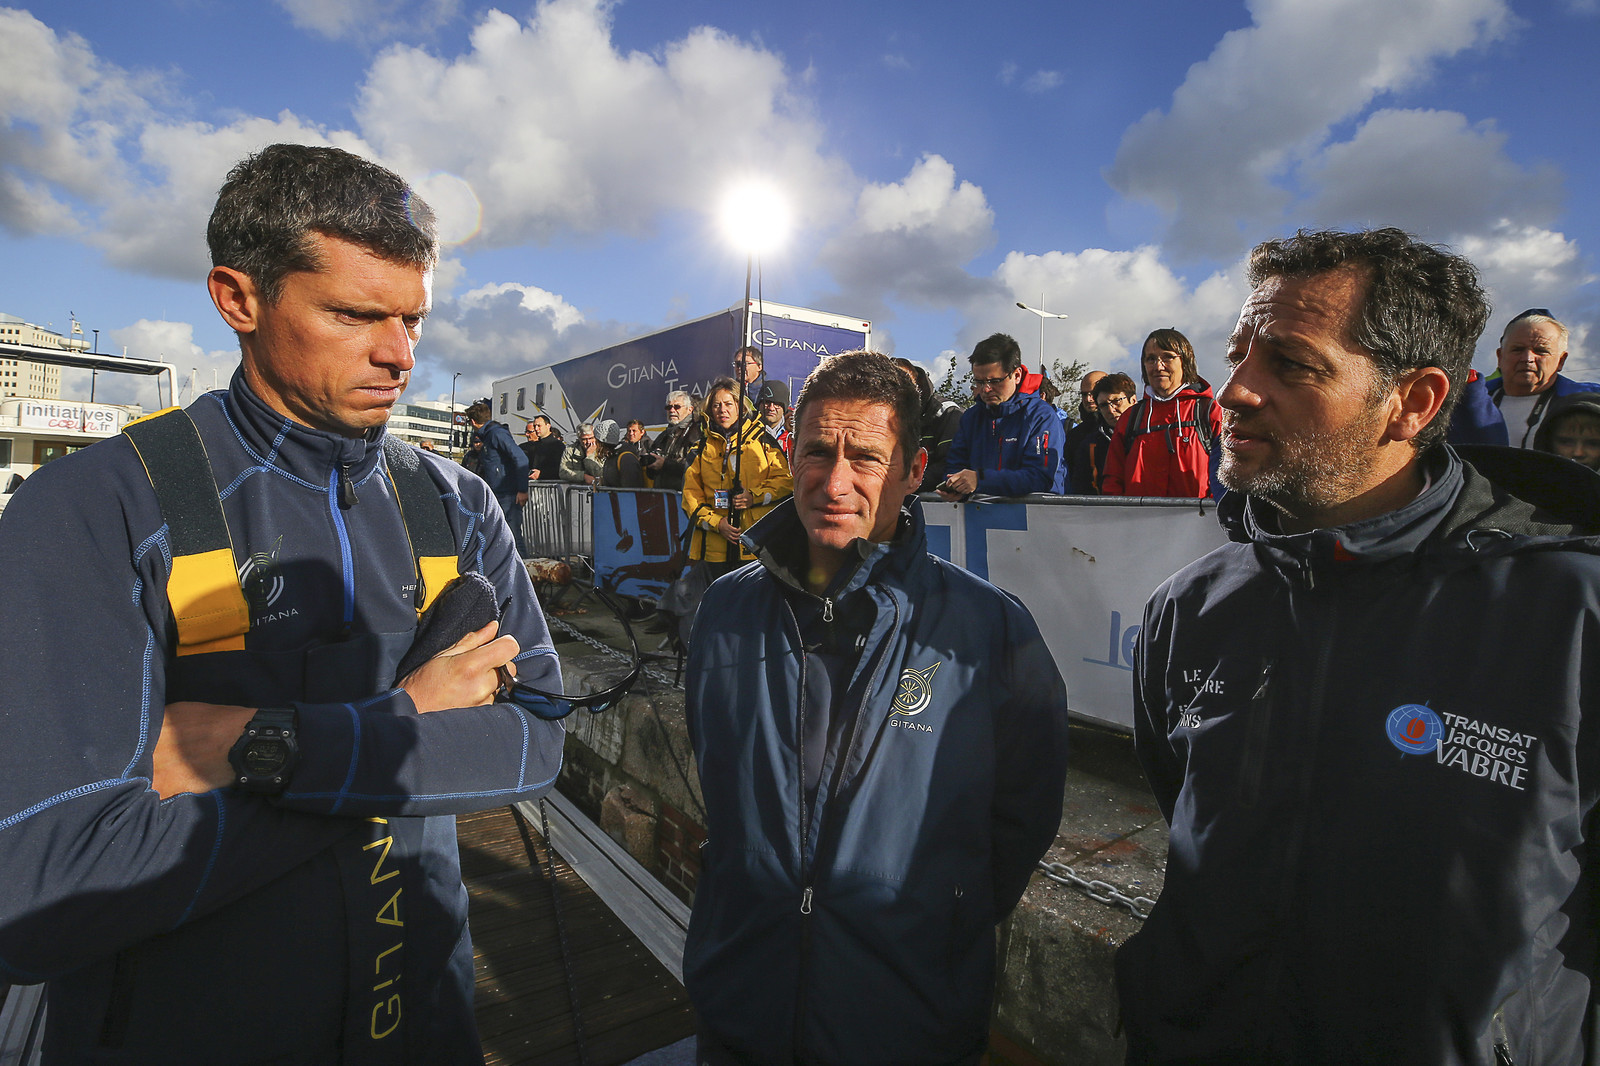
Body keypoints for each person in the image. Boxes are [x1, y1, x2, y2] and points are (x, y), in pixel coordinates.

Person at [0, 143, 566, 1064]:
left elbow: (537, 736)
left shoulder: (457, 506)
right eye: (353, 314)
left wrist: (257, 745)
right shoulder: (100, 509)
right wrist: (410, 718)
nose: (398, 354)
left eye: (413, 320)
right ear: (238, 299)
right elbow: (46, 890)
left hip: (421, 1026)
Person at [1117, 227, 1600, 1063]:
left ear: (1412, 401)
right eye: (1238, 354)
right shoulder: (1186, 610)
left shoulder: (1572, 617)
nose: (1233, 391)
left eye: (1291, 364)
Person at [683, 350, 1070, 1064]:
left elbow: (1023, 817)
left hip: (903, 1023)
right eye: (817, 451)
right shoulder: (724, 610)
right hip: (742, 1007)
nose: (835, 482)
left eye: (866, 458)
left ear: (914, 472)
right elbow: (717, 772)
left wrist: (932, 919)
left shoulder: (990, 632)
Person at [680, 376, 791, 581]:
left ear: (740, 406)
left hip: (755, 545)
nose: (723, 410)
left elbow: (785, 482)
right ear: (710, 410)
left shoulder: (764, 442)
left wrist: (753, 497)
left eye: (729, 404)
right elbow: (690, 497)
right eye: (716, 405)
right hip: (713, 552)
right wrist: (717, 522)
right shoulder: (700, 448)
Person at [938, 333, 1066, 499]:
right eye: (979, 382)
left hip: (1035, 519)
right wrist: (954, 488)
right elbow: (954, 468)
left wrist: (980, 480)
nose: (986, 389)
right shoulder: (971, 417)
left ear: (1017, 375)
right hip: (979, 517)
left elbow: (1040, 477)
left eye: (995, 381)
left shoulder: (1041, 416)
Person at [1099, 327, 1222, 498]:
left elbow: (1228, 476)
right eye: (1151, 359)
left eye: (1167, 357)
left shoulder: (1209, 413)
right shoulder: (1130, 419)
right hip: (1138, 522)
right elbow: (1113, 479)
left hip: (1198, 521)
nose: (1158, 366)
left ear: (1185, 361)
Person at [1485, 309, 1600, 448]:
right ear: (1500, 356)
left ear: (1561, 361)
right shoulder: (1467, 399)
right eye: (1518, 349)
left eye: (1541, 351)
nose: (1528, 359)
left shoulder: (1591, 403)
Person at [467, 399, 530, 557]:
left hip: (507, 494)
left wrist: (522, 490)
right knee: (502, 536)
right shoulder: (491, 435)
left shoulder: (496, 434)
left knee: (513, 536)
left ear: (473, 422)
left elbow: (521, 458)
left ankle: (525, 575)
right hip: (500, 493)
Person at [892, 356, 963, 493]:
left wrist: (905, 486)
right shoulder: (885, 416)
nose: (899, 390)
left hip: (937, 504)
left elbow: (949, 463)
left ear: (917, 384)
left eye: (905, 383)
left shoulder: (948, 414)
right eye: (891, 385)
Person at [1070, 372, 1136, 495]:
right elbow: (1080, 487)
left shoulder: (1151, 435)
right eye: (1104, 405)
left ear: (1133, 400)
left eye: (1117, 401)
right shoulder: (1090, 444)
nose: (1111, 409)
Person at [648, 389, 703, 491]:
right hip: (663, 497)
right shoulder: (664, 435)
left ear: (690, 409)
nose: (672, 410)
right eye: (668, 407)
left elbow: (696, 466)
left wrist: (665, 464)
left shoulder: (696, 432)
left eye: (677, 406)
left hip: (685, 497)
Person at [1061, 369, 1107, 487]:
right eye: (1084, 394)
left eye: (1092, 393)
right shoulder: (1074, 435)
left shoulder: (1121, 429)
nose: (1088, 399)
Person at [1532, 391, 1600, 470]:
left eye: (1593, 444)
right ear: (1548, 443)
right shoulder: (1529, 480)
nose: (1578, 453)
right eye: (1566, 442)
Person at [605, 418, 655, 487]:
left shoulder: (649, 445)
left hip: (645, 486)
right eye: (629, 431)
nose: (631, 433)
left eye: (634, 431)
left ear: (642, 432)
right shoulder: (621, 445)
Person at [522, 414, 565, 481]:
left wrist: (541, 474)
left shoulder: (558, 445)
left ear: (548, 426)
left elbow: (560, 469)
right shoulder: (533, 446)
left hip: (551, 486)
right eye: (535, 426)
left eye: (539, 426)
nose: (536, 429)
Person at [755, 379, 792, 455]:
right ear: (759, 405)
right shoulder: (746, 430)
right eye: (767, 402)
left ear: (784, 408)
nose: (771, 408)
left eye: (777, 404)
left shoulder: (794, 433)